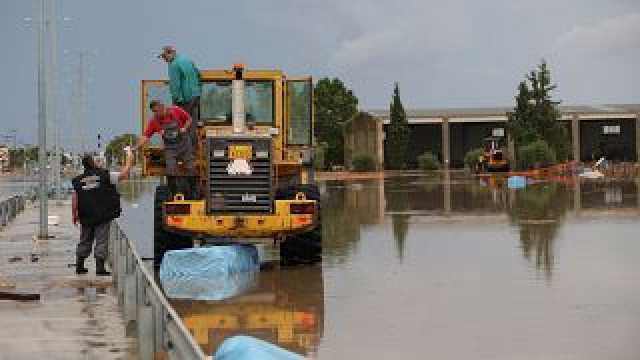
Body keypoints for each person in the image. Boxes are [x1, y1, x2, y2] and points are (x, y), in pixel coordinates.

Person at [72, 148, 134, 275]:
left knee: (84, 239)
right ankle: (100, 268)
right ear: (93, 163)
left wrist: (74, 214)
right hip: (102, 215)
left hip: (86, 216)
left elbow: (75, 198)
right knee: (101, 240)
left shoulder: (78, 180)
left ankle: (79, 266)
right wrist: (129, 159)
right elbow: (124, 175)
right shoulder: (105, 175)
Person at [136, 100, 195, 196]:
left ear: (163, 107)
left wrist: (184, 128)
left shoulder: (176, 110)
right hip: (170, 148)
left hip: (184, 145)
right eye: (155, 112)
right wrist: (136, 147)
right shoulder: (154, 122)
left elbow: (189, 119)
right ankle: (174, 195)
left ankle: (192, 193)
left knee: (190, 168)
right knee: (170, 170)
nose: (157, 113)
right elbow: (145, 137)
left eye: (158, 110)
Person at [158, 45, 201, 145]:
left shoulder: (173, 65)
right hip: (195, 95)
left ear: (170, 53)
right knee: (192, 123)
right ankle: (192, 147)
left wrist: (175, 99)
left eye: (164, 57)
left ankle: (182, 148)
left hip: (185, 98)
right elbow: (198, 74)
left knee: (179, 123)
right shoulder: (188, 60)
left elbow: (175, 84)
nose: (164, 60)